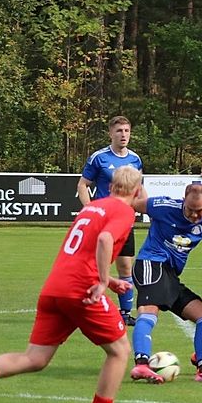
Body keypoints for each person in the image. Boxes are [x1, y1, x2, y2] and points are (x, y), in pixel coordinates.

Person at [0, 166, 144, 403]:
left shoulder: (93, 206)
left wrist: (107, 279)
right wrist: (104, 280)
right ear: (137, 190)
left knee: (35, 358)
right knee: (119, 351)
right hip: (80, 289)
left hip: (55, 286)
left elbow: (82, 249)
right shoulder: (124, 211)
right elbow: (105, 239)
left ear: (111, 187)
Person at [128, 183, 202, 384]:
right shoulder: (162, 205)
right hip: (150, 263)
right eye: (190, 210)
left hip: (171, 275)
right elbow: (130, 205)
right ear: (184, 201)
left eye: (199, 211)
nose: (194, 215)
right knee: (148, 312)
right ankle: (141, 364)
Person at [77, 116, 144, 326]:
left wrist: (144, 206)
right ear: (110, 134)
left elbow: (139, 188)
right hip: (103, 221)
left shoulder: (135, 159)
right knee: (95, 266)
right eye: (119, 131)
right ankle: (87, 307)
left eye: (126, 130)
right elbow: (82, 185)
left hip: (124, 222)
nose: (123, 135)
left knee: (126, 267)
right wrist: (90, 210)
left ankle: (124, 314)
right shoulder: (99, 158)